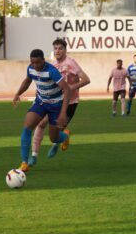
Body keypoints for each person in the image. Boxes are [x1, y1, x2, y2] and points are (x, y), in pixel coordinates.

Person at [29, 39, 90, 167]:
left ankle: (61, 139)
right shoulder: (52, 65)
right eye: (55, 48)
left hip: (70, 102)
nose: (57, 51)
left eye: (60, 48)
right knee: (40, 124)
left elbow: (86, 79)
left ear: (65, 50)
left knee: (56, 130)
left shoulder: (71, 63)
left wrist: (71, 88)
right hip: (55, 101)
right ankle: (34, 155)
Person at [13, 49, 72, 173]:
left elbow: (67, 90)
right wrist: (18, 93)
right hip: (41, 102)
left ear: (43, 61)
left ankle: (65, 136)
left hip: (56, 105)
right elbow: (27, 80)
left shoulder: (52, 71)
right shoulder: (30, 68)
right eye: (32, 63)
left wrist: (62, 113)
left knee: (54, 138)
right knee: (27, 125)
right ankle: (24, 163)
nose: (35, 66)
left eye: (37, 63)